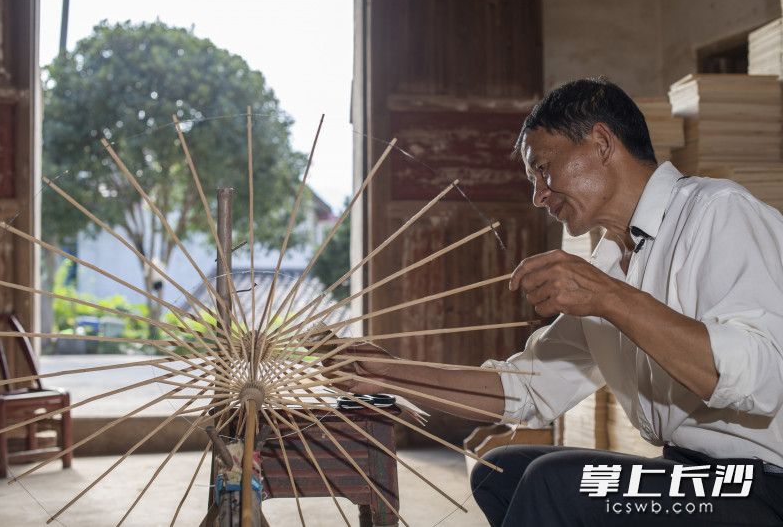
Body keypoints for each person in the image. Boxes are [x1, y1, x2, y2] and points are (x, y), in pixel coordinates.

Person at [330, 77, 783, 526]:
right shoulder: (607, 267)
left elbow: (763, 381)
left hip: (761, 485)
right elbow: (527, 387)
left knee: (551, 481)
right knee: (501, 470)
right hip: (685, 472)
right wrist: (386, 375)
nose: (538, 196)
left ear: (602, 143)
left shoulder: (717, 212)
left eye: (544, 169)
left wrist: (608, 298)